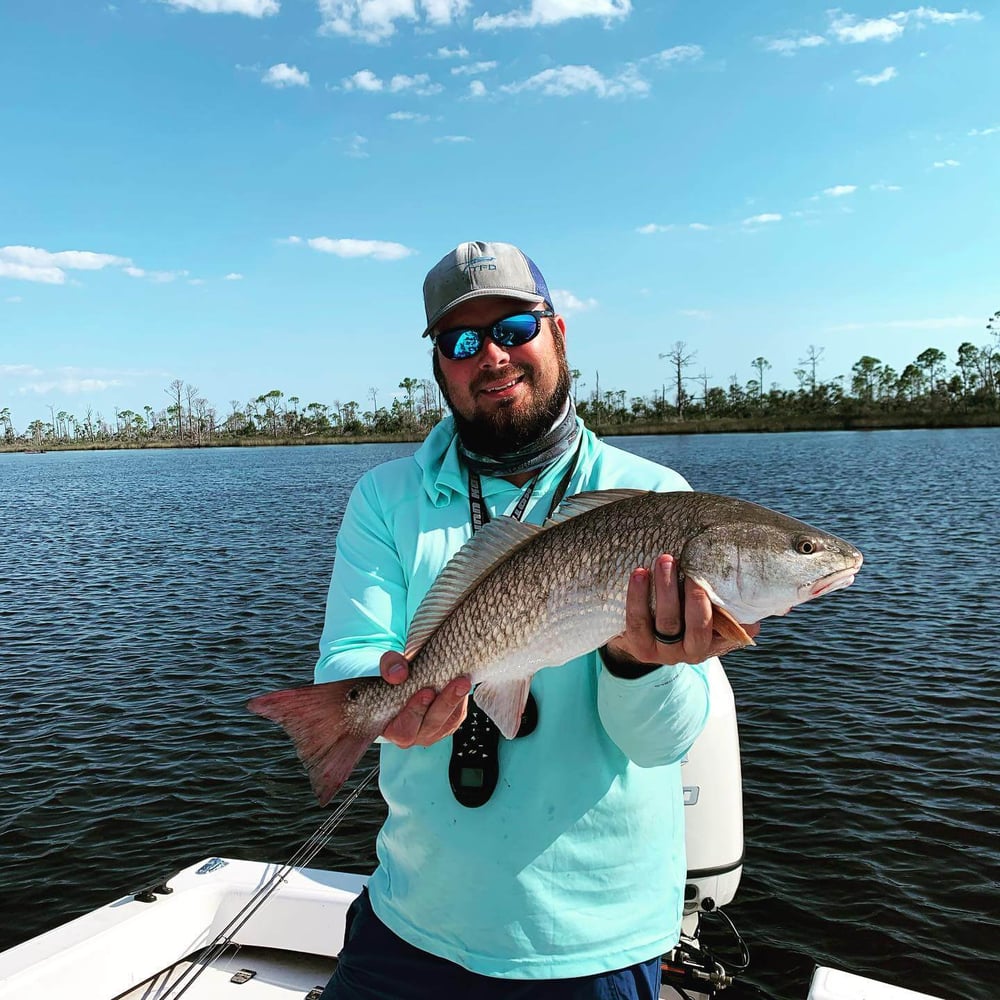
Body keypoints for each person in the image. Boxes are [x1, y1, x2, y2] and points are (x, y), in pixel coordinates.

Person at [316, 241, 758, 1000]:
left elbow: (663, 744)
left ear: (558, 332)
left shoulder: (654, 497)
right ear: (439, 366)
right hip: (412, 919)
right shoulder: (385, 498)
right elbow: (351, 662)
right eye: (461, 341)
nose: (491, 355)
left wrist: (635, 662)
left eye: (514, 327)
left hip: (595, 945)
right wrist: (384, 710)